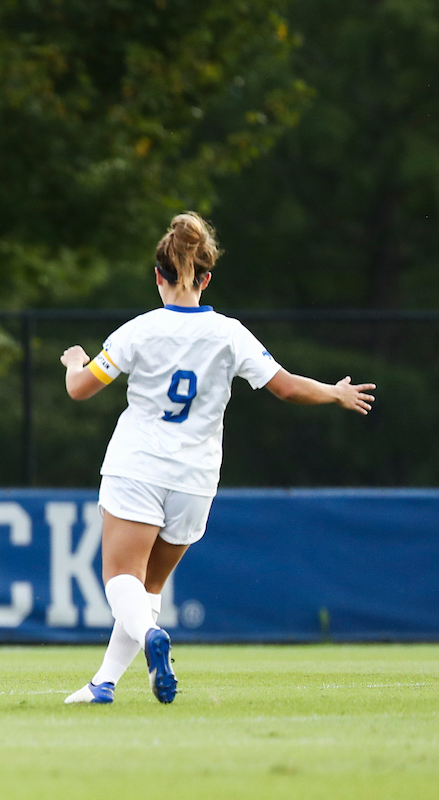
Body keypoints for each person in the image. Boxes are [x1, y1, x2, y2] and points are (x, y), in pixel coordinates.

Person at [59, 212, 375, 705]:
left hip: (139, 464)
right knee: (149, 587)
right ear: (206, 278)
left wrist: (75, 361)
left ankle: (149, 638)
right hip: (196, 478)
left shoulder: (139, 331)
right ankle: (103, 683)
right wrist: (334, 392)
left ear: (158, 276)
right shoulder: (230, 333)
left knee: (121, 579)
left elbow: (80, 389)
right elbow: (287, 388)